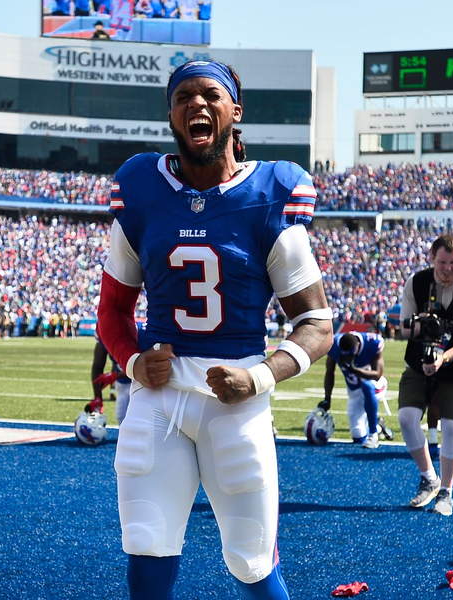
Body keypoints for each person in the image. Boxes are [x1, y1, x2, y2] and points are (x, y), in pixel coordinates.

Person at [97, 59, 333, 600]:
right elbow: (111, 312)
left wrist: (261, 377)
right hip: (158, 398)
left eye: (209, 94)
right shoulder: (140, 188)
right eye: (183, 97)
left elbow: (317, 322)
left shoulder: (271, 193)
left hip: (237, 402)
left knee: (250, 560)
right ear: (172, 114)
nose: (196, 104)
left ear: (235, 110)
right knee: (146, 545)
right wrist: (133, 362)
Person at [397, 233, 453, 517]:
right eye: (442, 262)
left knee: (450, 426)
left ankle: (446, 492)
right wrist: (425, 327)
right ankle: (428, 477)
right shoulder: (417, 282)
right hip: (421, 359)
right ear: (432, 258)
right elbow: (404, 329)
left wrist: (444, 356)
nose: (448, 268)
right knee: (406, 417)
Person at [318, 331, 385, 448]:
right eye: (346, 356)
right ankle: (379, 425)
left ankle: (373, 434)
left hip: (376, 387)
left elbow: (377, 375)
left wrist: (355, 370)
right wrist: (327, 398)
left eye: (351, 355)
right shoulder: (333, 344)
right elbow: (329, 373)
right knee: (358, 436)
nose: (349, 358)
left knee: (367, 386)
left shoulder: (372, 342)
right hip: (354, 392)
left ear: (358, 346)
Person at [89, 321, 146, 425]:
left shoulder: (141, 332)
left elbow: (146, 364)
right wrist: (98, 398)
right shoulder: (103, 331)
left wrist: (116, 375)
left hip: (143, 383)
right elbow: (97, 365)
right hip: (123, 384)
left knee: (143, 422)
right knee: (122, 419)